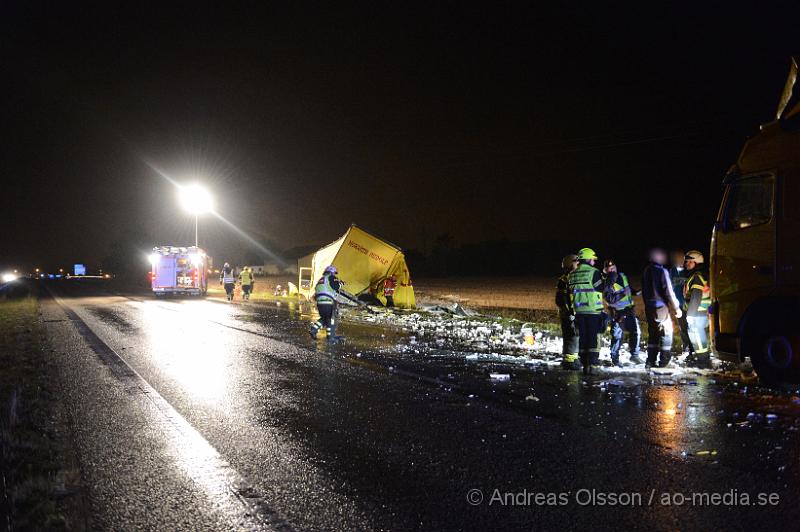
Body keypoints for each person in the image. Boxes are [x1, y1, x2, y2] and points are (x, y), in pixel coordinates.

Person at [642, 249, 682, 368]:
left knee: (653, 334)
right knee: (667, 332)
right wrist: (676, 307)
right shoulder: (662, 271)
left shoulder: (646, 271)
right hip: (661, 308)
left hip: (649, 308)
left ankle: (650, 361)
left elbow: (644, 290)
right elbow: (669, 291)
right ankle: (664, 362)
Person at [567, 248, 605, 375]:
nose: (594, 262)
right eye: (593, 260)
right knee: (593, 338)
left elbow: (570, 293)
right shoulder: (594, 272)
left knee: (583, 338)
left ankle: (585, 364)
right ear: (588, 259)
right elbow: (601, 288)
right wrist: (609, 280)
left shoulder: (572, 274)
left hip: (579, 311)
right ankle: (593, 365)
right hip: (593, 311)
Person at [603, 259, 643, 366]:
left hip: (629, 309)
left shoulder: (622, 276)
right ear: (605, 271)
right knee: (617, 336)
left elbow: (627, 288)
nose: (612, 270)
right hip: (617, 313)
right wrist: (623, 295)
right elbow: (609, 298)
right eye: (609, 269)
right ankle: (614, 359)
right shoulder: (607, 281)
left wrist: (636, 292)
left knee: (636, 331)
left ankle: (634, 356)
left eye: (613, 267)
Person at [683, 250, 712, 368]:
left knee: (697, 335)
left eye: (690, 262)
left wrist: (690, 314)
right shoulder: (697, 275)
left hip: (698, 312)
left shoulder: (697, 276)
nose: (686, 264)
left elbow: (696, 295)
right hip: (699, 311)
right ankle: (702, 358)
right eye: (686, 262)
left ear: (697, 262)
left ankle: (703, 361)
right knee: (696, 334)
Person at [556, 254, 581, 370]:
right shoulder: (564, 279)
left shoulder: (576, 277)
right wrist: (568, 313)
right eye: (576, 261)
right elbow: (560, 299)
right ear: (570, 263)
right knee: (571, 337)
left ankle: (574, 359)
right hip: (568, 314)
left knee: (576, 336)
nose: (578, 263)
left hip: (574, 313)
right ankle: (568, 361)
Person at [310, 265, 347, 341]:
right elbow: (335, 287)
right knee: (331, 319)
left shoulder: (321, 279)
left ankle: (313, 330)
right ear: (331, 272)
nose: (335, 274)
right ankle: (331, 337)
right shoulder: (331, 277)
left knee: (324, 318)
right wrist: (341, 283)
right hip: (328, 301)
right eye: (334, 273)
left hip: (320, 302)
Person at [669, 250, 693, 356]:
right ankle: (686, 347)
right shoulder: (672, 272)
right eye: (678, 258)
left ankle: (693, 347)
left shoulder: (688, 271)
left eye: (683, 259)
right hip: (678, 305)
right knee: (683, 326)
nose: (681, 261)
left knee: (691, 326)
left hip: (688, 303)